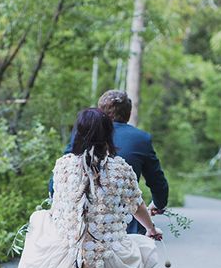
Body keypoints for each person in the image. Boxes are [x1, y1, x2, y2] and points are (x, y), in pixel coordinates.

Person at [16, 108, 164, 268]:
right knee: (145, 249)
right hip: (106, 260)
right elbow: (137, 206)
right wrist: (151, 229)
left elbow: (57, 205)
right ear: (109, 135)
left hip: (65, 257)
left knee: (41, 223)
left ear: (78, 133)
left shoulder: (64, 165)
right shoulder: (120, 168)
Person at [49, 89, 169, 235]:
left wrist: (55, 201)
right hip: (123, 223)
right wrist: (158, 205)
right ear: (128, 114)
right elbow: (154, 182)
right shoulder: (139, 141)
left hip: (79, 223)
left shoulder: (80, 136)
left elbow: (60, 178)